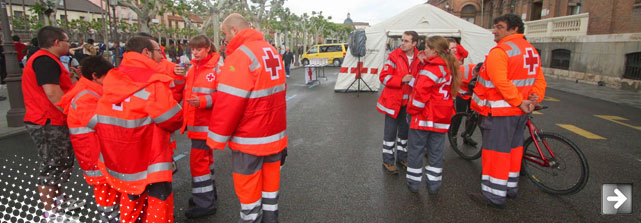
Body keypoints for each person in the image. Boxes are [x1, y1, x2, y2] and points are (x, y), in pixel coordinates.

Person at [206, 13, 287, 223]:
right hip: (275, 137)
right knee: (270, 190)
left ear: (234, 30)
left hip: (249, 139)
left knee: (249, 193)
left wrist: (215, 139)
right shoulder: (271, 50)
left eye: (224, 33)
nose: (224, 39)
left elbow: (229, 103)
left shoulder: (241, 56)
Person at [93, 36, 183, 222]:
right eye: (159, 51)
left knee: (131, 203)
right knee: (158, 204)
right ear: (146, 52)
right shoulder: (153, 82)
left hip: (120, 158)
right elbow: (173, 119)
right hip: (151, 158)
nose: (161, 55)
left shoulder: (113, 77)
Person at [468, 14, 547, 209]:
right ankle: (510, 188)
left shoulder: (501, 51)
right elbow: (539, 81)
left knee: (496, 154)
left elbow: (500, 83)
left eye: (499, 27)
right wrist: (532, 99)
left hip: (500, 114)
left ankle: (494, 195)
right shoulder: (531, 51)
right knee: (513, 151)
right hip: (520, 114)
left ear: (514, 29)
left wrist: (520, 101)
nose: (494, 31)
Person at [21, 26, 85, 222]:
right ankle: (51, 212)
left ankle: (59, 200)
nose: (69, 45)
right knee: (52, 165)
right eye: (66, 41)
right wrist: (74, 114)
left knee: (60, 163)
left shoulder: (48, 60)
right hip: (47, 121)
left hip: (51, 120)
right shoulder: (45, 61)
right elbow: (53, 93)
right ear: (56, 42)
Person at [56, 55, 120, 223]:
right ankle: (109, 218)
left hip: (94, 150)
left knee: (107, 189)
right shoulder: (85, 96)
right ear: (95, 76)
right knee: (104, 190)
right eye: (108, 76)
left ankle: (110, 216)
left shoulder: (88, 90)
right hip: (93, 152)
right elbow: (99, 123)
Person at [405, 36, 461, 194]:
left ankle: (413, 183)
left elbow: (420, 93)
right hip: (441, 116)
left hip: (424, 116)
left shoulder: (432, 68)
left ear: (435, 50)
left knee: (416, 149)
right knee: (436, 151)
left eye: (428, 48)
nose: (425, 50)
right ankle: (434, 184)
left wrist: (411, 111)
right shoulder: (448, 66)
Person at [181, 35, 222, 218]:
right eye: (193, 49)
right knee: (206, 161)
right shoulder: (193, 68)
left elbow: (226, 94)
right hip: (197, 124)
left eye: (198, 49)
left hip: (205, 124)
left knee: (199, 163)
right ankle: (207, 194)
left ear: (207, 48)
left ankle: (204, 202)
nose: (195, 53)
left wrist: (204, 101)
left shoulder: (216, 67)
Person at [376, 31, 422, 174]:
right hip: (392, 103)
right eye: (402, 40)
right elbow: (383, 77)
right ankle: (388, 161)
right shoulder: (394, 56)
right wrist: (401, 79)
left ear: (414, 43)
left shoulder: (419, 58)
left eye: (406, 41)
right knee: (390, 134)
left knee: (404, 134)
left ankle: (402, 158)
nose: (402, 43)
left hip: (408, 104)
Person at [449, 63, 483, 147]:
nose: (476, 77)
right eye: (476, 75)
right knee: (459, 115)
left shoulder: (482, 72)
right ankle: (453, 135)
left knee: (473, 115)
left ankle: (467, 135)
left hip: (472, 93)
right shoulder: (462, 70)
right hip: (461, 92)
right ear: (474, 70)